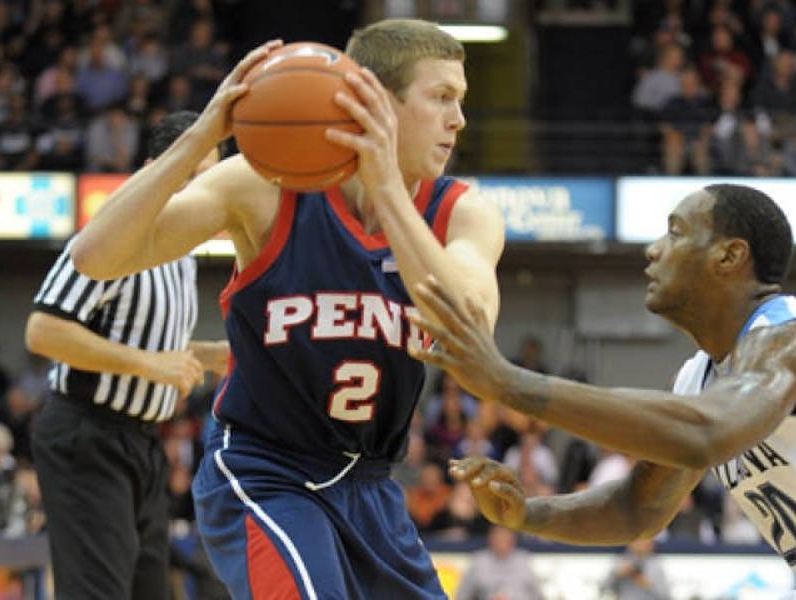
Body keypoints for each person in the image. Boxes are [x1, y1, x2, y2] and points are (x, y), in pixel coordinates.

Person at [70, 18, 504, 600]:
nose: (459, 119)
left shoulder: (465, 212)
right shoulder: (267, 183)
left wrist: (387, 190)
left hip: (371, 485)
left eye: (460, 100)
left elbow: (472, 330)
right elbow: (94, 256)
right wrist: (200, 136)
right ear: (374, 102)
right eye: (442, 97)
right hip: (267, 471)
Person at [410, 183, 796, 598]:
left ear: (729, 255)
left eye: (675, 232)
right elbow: (636, 509)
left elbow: (708, 433)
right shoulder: (696, 382)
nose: (653, 250)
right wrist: (527, 514)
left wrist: (509, 383)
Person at [25, 110, 229, 600]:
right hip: (87, 436)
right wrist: (151, 365)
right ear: (154, 170)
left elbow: (141, 341)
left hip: (141, 443)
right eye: (191, 174)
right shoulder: (112, 238)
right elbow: (43, 330)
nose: (203, 190)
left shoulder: (181, 251)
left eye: (211, 177)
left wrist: (206, 354)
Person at [454, 525, 544, 600]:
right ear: (490, 538)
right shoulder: (479, 561)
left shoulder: (523, 560)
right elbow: (462, 595)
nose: (501, 540)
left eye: (505, 536)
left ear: (513, 539)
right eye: (498, 536)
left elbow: (538, 595)